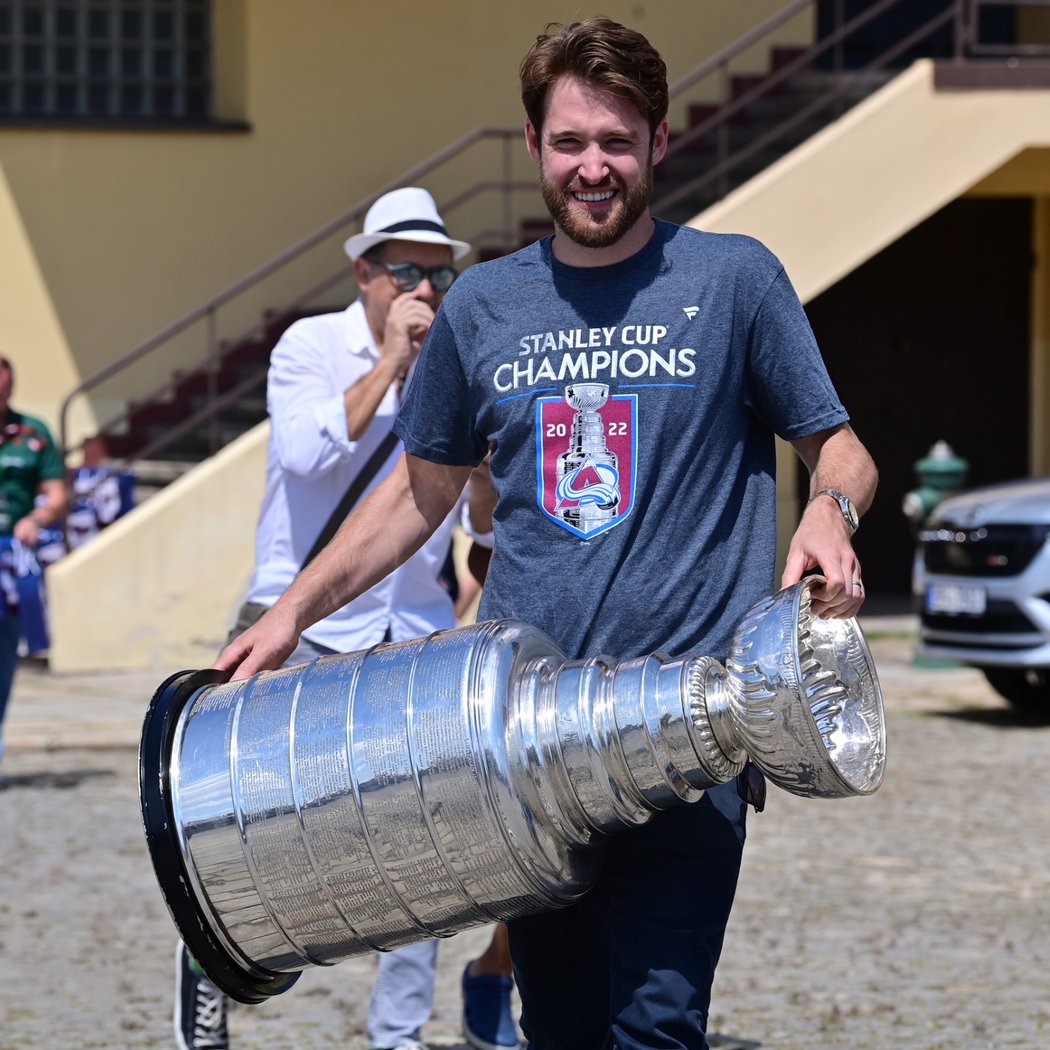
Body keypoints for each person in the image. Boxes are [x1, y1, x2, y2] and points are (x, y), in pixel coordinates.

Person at [215, 19, 878, 1050]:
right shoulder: (483, 306)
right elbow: (419, 493)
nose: (594, 167)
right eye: (571, 143)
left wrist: (830, 516)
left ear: (658, 143)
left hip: (691, 734)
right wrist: (291, 611)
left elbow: (840, 448)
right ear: (535, 149)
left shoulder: (735, 281)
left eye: (617, 141)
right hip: (521, 751)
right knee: (558, 1027)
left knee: (656, 1027)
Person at [174, 188, 518, 1050]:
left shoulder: (459, 358)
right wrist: (391, 366)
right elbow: (306, 452)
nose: (426, 290)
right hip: (301, 620)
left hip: (411, 630)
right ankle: (208, 988)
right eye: (408, 270)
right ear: (365, 273)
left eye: (440, 273)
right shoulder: (310, 346)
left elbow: (479, 523)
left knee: (428, 840)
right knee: (239, 832)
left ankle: (397, 1035)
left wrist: (477, 473)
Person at [0, 355, 67, 760]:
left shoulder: (33, 433)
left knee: (4, 657)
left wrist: (38, 517)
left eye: (4, 390)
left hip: (9, 562)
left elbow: (57, 493)